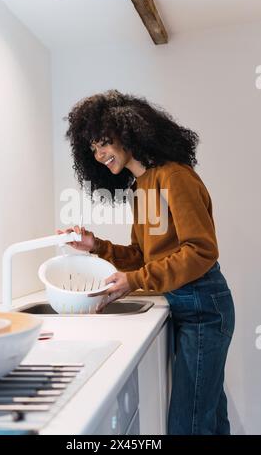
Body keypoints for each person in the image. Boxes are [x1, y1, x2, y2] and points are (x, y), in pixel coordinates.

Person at [58, 89, 235, 435]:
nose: (99, 154)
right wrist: (96, 245)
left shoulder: (175, 177)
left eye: (103, 142)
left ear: (128, 132)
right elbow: (143, 256)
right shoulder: (142, 187)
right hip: (186, 304)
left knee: (191, 424)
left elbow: (200, 251)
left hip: (205, 307)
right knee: (207, 416)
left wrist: (134, 281)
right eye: (92, 148)